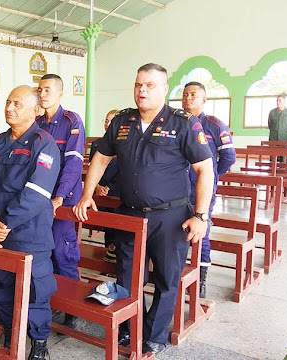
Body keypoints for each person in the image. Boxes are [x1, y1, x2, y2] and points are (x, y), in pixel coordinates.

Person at [74, 63, 214, 355]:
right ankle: (128, 328)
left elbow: (205, 170)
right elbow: (100, 158)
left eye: (150, 85)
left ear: (164, 89)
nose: (142, 90)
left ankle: (154, 334)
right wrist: (87, 195)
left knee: (166, 277)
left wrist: (200, 216)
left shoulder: (184, 122)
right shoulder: (122, 121)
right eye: (138, 85)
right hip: (130, 214)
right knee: (127, 275)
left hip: (171, 216)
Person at [0, 85, 60, 360]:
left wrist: (4, 224)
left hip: (29, 236)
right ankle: (13, 336)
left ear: (36, 111)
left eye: (17, 104)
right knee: (2, 289)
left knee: (35, 293)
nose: (9, 108)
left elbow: (36, 195)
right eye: (8, 102)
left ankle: (38, 345)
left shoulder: (43, 143)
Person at [36, 74, 85, 329]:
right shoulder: (36, 122)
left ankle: (72, 309)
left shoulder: (71, 121)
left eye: (48, 90)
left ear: (59, 93)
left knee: (63, 252)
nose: (42, 94)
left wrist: (60, 196)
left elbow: (74, 162)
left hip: (62, 200)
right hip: (40, 198)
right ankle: (53, 300)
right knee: (43, 251)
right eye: (40, 89)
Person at [182, 82, 236, 298]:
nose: (188, 99)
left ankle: (200, 280)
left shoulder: (214, 125)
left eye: (193, 95)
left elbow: (228, 158)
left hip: (200, 191)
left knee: (201, 234)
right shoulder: (175, 121)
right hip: (176, 189)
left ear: (204, 100)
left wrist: (210, 179)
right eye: (185, 95)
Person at [88, 109, 120, 264]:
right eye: (106, 121)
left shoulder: (124, 144)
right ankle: (109, 248)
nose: (108, 124)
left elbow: (123, 171)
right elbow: (93, 167)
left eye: (111, 121)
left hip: (117, 190)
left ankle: (116, 250)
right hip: (100, 190)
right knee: (105, 219)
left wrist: (108, 187)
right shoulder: (97, 144)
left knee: (117, 222)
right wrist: (97, 186)